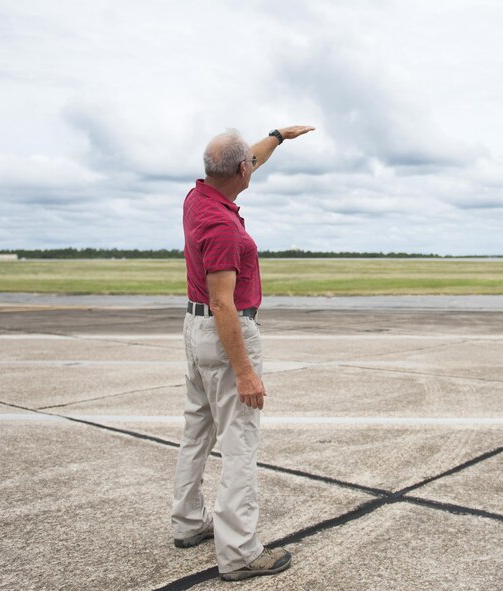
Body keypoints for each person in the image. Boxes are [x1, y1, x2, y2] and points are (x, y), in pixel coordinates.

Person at [171, 125, 314, 581]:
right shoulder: (221, 225)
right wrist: (246, 372)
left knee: (197, 430)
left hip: (196, 331)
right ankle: (239, 553)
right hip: (223, 331)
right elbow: (223, 303)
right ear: (239, 171)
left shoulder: (199, 196)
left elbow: (248, 158)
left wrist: (277, 137)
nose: (254, 163)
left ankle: (189, 521)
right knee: (239, 444)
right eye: (249, 162)